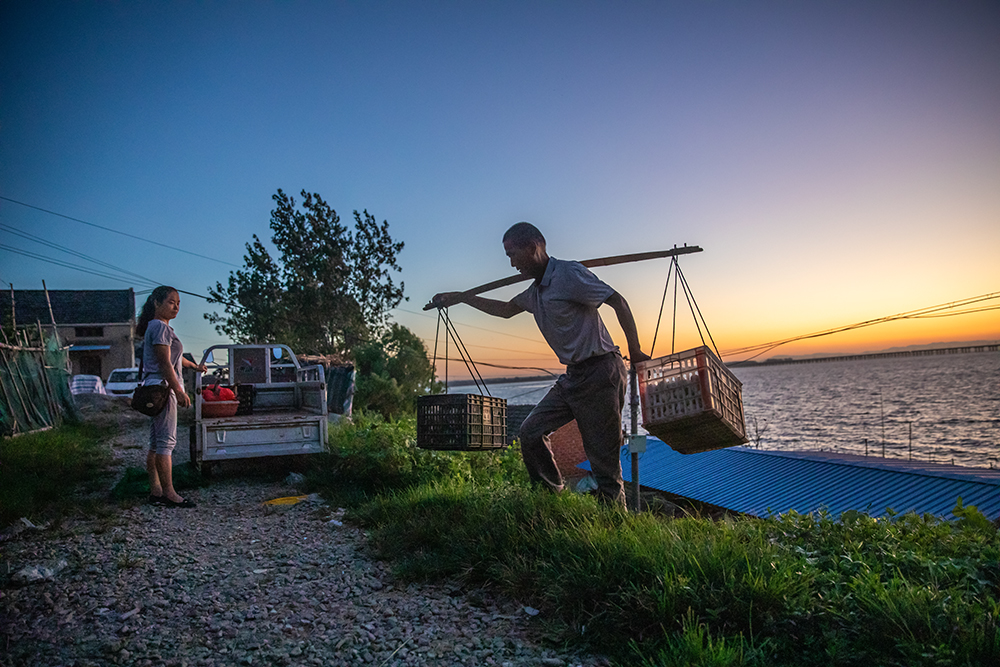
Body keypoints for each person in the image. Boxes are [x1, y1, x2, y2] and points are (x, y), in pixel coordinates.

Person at [432, 222, 650, 505]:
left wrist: (636, 350)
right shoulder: (536, 292)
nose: (511, 263)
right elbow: (506, 310)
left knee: (604, 463)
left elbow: (617, 301)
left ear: (534, 247)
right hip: (572, 377)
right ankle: (551, 498)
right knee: (531, 431)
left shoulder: (568, 274)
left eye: (512, 254)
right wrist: (462, 298)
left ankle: (615, 527)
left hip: (601, 372)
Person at [136, 286, 207, 508]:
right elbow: (165, 362)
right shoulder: (160, 327)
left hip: (156, 387)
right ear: (156, 303)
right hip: (163, 389)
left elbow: (175, 358)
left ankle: (156, 490)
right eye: (170, 302)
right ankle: (170, 493)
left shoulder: (158, 327)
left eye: (178, 303)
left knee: (156, 443)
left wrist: (195, 366)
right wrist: (178, 390)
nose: (176, 306)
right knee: (166, 443)